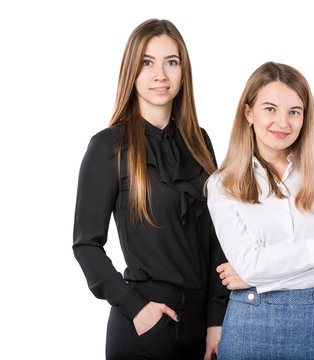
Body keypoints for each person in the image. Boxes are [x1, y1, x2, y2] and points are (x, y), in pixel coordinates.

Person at [73, 19, 228, 360]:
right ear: (132, 71)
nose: (161, 74)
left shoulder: (200, 142)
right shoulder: (108, 146)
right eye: (147, 62)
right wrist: (134, 307)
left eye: (171, 62)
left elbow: (219, 238)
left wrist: (216, 319)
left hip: (203, 326)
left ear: (183, 71)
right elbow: (86, 244)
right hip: (143, 327)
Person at [206, 62, 314, 359]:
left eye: (294, 111)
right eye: (270, 109)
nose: (283, 122)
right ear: (248, 113)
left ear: (306, 118)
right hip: (249, 327)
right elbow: (251, 265)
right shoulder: (222, 184)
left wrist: (260, 277)